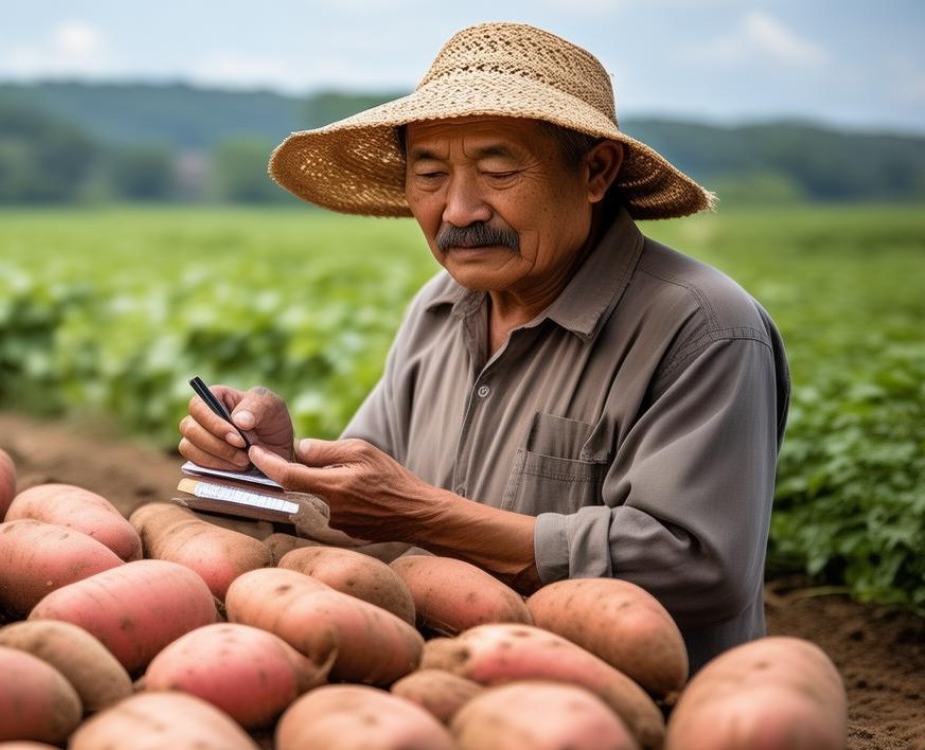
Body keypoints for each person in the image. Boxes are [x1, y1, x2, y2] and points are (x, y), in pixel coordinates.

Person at [177, 22, 789, 670]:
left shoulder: (705, 330)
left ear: (596, 172)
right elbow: (365, 505)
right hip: (451, 684)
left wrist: (428, 516)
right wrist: (271, 465)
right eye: (431, 174)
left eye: (498, 169)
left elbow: (698, 566)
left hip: (637, 709)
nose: (460, 209)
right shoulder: (438, 309)